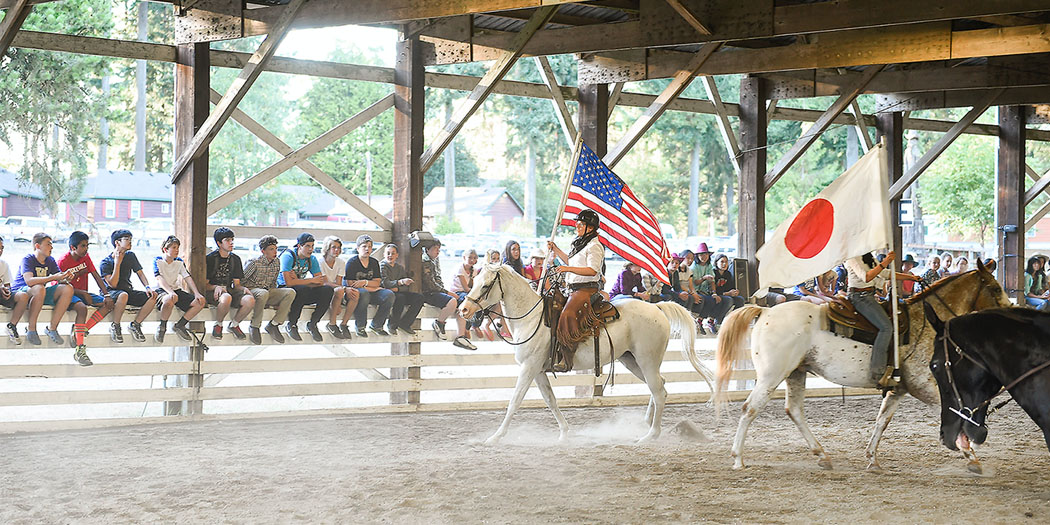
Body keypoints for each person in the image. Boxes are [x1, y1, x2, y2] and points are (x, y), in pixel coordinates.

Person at [843, 250, 921, 388]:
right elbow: (866, 277)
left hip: (868, 296)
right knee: (886, 328)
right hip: (859, 297)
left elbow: (884, 274)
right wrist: (886, 262)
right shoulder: (852, 257)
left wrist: (909, 278)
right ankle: (877, 372)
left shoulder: (867, 256)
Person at [546, 209, 605, 372]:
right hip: (572, 288)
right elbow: (570, 261)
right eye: (577, 224)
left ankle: (567, 359)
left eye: (580, 224)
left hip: (587, 289)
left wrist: (567, 269)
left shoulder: (594, 246)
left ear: (590, 228)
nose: (576, 226)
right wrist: (556, 250)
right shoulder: (580, 243)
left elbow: (593, 270)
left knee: (568, 315)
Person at [14, 233, 81, 354]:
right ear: (38, 246)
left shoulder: (50, 260)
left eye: (52, 244)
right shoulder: (28, 259)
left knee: (68, 288)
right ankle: (31, 329)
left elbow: (59, 278)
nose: (52, 247)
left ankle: (52, 328)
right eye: (48, 244)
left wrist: (67, 277)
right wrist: (52, 278)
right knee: (39, 288)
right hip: (23, 292)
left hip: (41, 294)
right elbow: (29, 281)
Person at [57, 230, 115, 355]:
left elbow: (96, 275)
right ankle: (80, 347)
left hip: (83, 293)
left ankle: (82, 330)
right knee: (82, 308)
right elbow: (58, 285)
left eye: (87, 245)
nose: (86, 249)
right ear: (73, 247)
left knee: (108, 304)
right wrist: (82, 293)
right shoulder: (63, 261)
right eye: (83, 246)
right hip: (69, 295)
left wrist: (107, 295)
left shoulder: (86, 258)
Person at [100, 229, 159, 343]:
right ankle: (115, 325)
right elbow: (113, 284)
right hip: (110, 293)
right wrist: (117, 263)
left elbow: (140, 273)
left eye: (131, 239)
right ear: (117, 243)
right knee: (123, 295)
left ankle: (136, 325)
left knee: (153, 296)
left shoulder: (130, 256)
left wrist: (148, 287)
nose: (130, 242)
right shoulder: (106, 262)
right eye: (127, 239)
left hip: (126, 291)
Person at [278, 233, 334, 342]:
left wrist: (300, 281)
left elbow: (320, 282)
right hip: (284, 290)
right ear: (299, 246)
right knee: (302, 289)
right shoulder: (288, 256)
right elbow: (288, 283)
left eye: (312, 246)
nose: (311, 249)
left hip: (300, 289)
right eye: (308, 246)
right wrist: (310, 281)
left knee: (327, 290)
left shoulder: (311, 259)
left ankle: (313, 323)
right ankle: (292, 324)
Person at [421, 239, 476, 350]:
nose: (438, 252)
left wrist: (443, 289)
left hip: (436, 290)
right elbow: (430, 284)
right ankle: (439, 323)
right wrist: (447, 292)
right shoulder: (425, 261)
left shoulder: (435, 260)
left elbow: (438, 277)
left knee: (463, 303)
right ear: (427, 249)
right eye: (435, 249)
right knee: (452, 301)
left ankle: (460, 336)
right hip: (428, 292)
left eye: (439, 249)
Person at [241, 235, 295, 345]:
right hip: (252, 290)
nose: (275, 251)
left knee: (290, 292)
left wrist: (276, 299)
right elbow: (241, 281)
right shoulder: (254, 263)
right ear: (263, 251)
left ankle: (274, 324)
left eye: (276, 249)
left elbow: (274, 282)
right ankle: (254, 326)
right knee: (263, 293)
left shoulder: (276, 262)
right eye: (271, 249)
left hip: (267, 291)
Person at [152, 235, 206, 343]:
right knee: (169, 299)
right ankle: (162, 327)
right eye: (174, 248)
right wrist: (170, 292)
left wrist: (197, 293)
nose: (177, 250)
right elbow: (159, 278)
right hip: (162, 290)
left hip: (176, 290)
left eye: (177, 248)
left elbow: (187, 277)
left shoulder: (179, 262)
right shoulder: (158, 261)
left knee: (200, 302)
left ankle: (180, 325)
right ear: (165, 249)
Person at [205, 227, 255, 340]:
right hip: (213, 292)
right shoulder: (210, 259)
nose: (231, 242)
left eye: (232, 239)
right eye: (227, 240)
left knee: (249, 299)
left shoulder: (235, 259)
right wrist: (216, 287)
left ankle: (234, 325)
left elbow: (236, 285)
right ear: (219, 243)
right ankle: (218, 325)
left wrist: (243, 289)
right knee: (226, 297)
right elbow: (204, 284)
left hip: (228, 291)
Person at [344, 234, 395, 337]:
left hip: (369, 290)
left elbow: (377, 281)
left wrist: (364, 283)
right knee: (364, 293)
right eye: (364, 246)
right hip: (357, 293)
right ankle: (360, 326)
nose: (367, 249)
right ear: (358, 248)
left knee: (389, 294)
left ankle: (377, 325)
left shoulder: (374, 262)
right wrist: (372, 288)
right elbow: (351, 284)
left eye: (370, 247)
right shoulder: (352, 262)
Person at [379, 243, 424, 335]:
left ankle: (405, 323)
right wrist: (400, 282)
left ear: (397, 255)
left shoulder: (399, 268)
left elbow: (405, 287)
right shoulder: (382, 266)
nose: (390, 255)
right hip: (386, 294)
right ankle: (392, 325)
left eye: (393, 253)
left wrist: (397, 287)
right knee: (400, 298)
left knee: (419, 297)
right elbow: (385, 283)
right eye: (388, 253)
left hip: (398, 291)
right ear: (384, 254)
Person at [319, 236, 359, 339]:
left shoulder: (341, 262)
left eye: (338, 247)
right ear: (327, 248)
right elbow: (324, 282)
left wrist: (341, 298)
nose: (336, 250)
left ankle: (344, 324)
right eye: (333, 247)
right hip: (323, 290)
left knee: (355, 293)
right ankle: (332, 324)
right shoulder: (320, 261)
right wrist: (344, 289)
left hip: (338, 290)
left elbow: (339, 282)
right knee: (341, 289)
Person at [691, 243, 732, 334]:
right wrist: (704, 278)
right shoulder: (694, 266)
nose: (704, 256)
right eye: (701, 254)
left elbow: (712, 281)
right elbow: (695, 282)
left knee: (719, 299)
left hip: (706, 291)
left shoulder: (709, 266)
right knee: (710, 300)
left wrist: (714, 293)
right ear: (697, 256)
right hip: (696, 291)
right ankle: (700, 321)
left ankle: (712, 321)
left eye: (706, 254)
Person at [0, 236, 30, 346]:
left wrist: (7, 291)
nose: (0, 251)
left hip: (1, 294)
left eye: (2, 248)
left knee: (23, 296)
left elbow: (8, 285)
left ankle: (12, 326)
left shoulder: (3, 264)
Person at [449, 249, 484, 340]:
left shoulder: (474, 270)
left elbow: (473, 286)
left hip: (467, 292)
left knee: (482, 302)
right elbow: (465, 288)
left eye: (475, 258)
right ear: (464, 257)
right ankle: (466, 328)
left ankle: (476, 325)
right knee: (467, 304)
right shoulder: (460, 269)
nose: (472, 260)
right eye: (470, 258)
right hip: (457, 292)